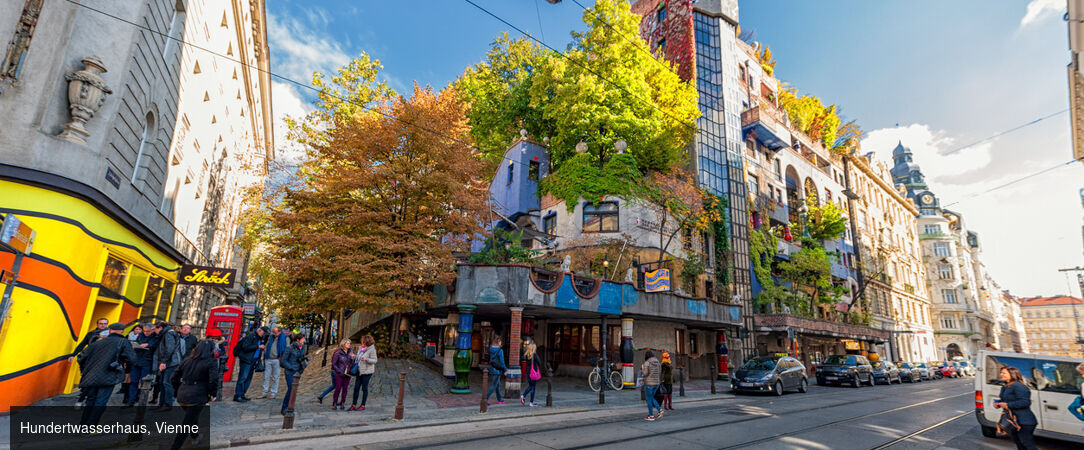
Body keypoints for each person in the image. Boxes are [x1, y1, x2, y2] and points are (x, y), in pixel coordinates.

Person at [77, 322, 136, 426]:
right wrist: (127, 371)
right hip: (109, 374)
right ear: (122, 331)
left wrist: (84, 371)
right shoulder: (123, 342)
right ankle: (92, 427)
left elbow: (81, 357)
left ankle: (83, 425)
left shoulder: (97, 342)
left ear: (109, 330)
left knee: (91, 401)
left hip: (92, 375)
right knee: (100, 402)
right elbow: (131, 359)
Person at [169, 340, 220, 450]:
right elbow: (214, 379)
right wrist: (213, 393)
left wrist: (178, 389)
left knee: (191, 416)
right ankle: (175, 447)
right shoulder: (211, 362)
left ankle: (195, 435)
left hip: (182, 394)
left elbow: (173, 377)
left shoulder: (187, 360)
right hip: (197, 395)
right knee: (187, 423)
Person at [994, 366, 1037, 450]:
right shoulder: (1005, 386)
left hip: (1024, 421)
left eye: (1004, 373)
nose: (1001, 374)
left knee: (1027, 444)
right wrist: (998, 403)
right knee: (1019, 444)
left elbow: (1025, 402)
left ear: (1012, 374)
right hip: (1013, 421)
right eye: (1001, 372)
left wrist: (1007, 405)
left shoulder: (1019, 386)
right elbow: (1005, 399)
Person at [71, 317, 110, 408]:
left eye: (105, 323)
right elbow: (82, 344)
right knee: (87, 378)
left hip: (103, 361)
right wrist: (73, 354)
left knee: (92, 380)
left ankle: (82, 399)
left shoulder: (111, 335)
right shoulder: (91, 334)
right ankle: (83, 396)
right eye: (101, 323)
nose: (103, 325)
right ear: (97, 324)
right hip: (90, 359)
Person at [153, 321, 184, 411]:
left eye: (155, 328)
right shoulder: (167, 333)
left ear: (160, 328)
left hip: (171, 362)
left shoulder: (168, 334)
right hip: (170, 362)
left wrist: (163, 362)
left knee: (167, 383)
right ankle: (162, 403)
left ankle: (167, 404)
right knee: (163, 383)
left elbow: (169, 349)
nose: (154, 331)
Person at [232, 326, 267, 402]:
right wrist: (258, 346)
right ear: (259, 331)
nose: (264, 335)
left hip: (253, 361)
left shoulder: (260, 338)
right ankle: (237, 395)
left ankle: (242, 394)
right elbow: (245, 347)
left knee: (248, 378)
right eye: (263, 333)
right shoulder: (251, 336)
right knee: (243, 378)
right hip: (246, 360)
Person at [280, 333, 308, 415]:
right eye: (303, 339)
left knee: (294, 390)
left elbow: (300, 358)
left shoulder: (302, 348)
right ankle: (285, 407)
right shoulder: (290, 348)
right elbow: (283, 361)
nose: (304, 340)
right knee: (291, 388)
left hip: (298, 372)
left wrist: (304, 362)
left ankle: (290, 406)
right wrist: (291, 367)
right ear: (298, 340)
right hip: (290, 372)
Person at [349, 335, 378, 411]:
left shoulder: (372, 350)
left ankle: (363, 405)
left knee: (364, 388)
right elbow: (358, 358)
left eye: (363, 342)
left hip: (367, 372)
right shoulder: (361, 349)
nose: (362, 343)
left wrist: (366, 359)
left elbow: (375, 360)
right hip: (359, 371)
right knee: (356, 388)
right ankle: (354, 404)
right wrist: (354, 356)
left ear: (367, 342)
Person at [259, 326, 287, 399]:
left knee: (275, 377)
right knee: (266, 376)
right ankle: (264, 392)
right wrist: (265, 352)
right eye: (273, 332)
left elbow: (286, 349)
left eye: (275, 332)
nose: (274, 334)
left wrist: (281, 359)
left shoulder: (285, 338)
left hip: (277, 359)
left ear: (280, 332)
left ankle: (273, 393)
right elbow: (267, 345)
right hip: (268, 359)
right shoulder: (270, 337)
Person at [330, 339, 353, 410]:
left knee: (345, 389)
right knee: (338, 388)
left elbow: (352, 363)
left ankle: (342, 403)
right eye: (348, 343)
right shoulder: (338, 352)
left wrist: (352, 358)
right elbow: (334, 364)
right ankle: (334, 403)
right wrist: (339, 371)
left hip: (348, 374)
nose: (349, 344)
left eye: (350, 343)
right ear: (343, 344)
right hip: (339, 374)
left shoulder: (351, 351)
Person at [486, 336, 506, 405]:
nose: (501, 343)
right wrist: (505, 370)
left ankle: (499, 399)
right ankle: (485, 400)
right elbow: (502, 361)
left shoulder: (491, 349)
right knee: (494, 385)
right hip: (498, 369)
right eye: (500, 342)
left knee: (497, 385)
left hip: (492, 368)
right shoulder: (500, 350)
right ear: (498, 342)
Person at [642, 350, 662, 421]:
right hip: (656, 383)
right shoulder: (658, 362)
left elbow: (645, 374)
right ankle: (659, 410)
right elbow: (660, 373)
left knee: (649, 399)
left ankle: (651, 415)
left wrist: (643, 369)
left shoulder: (647, 363)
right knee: (652, 398)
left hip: (649, 384)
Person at [520, 343, 542, 407]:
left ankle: (530, 401)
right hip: (533, 373)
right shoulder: (534, 355)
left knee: (531, 386)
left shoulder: (526, 355)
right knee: (532, 387)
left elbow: (521, 359)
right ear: (533, 348)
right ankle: (524, 397)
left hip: (528, 372)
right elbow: (540, 362)